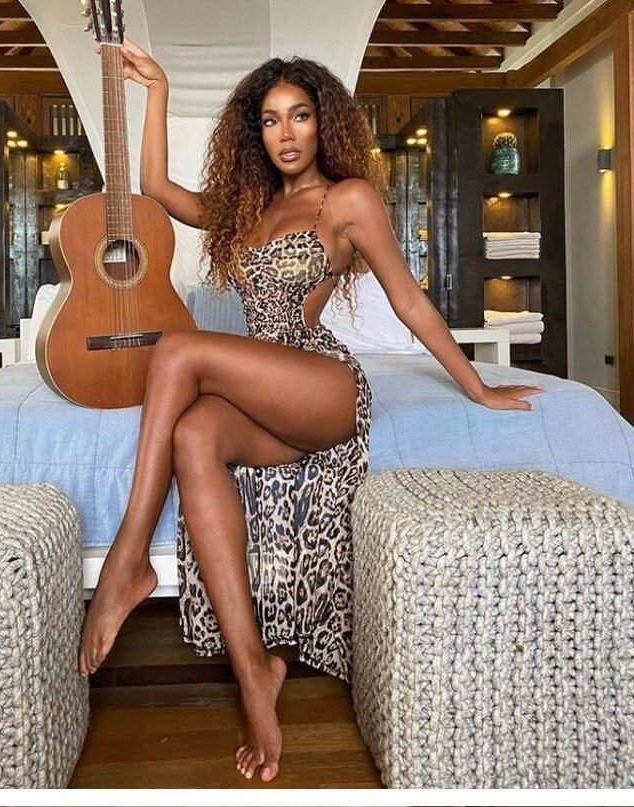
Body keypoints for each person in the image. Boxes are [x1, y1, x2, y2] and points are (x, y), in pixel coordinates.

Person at [77, 39, 544, 782]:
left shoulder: (346, 199)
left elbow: (408, 299)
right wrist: (157, 87)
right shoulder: (249, 207)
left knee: (177, 350)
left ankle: (126, 560)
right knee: (194, 433)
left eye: (299, 115)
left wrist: (477, 386)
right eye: (270, 120)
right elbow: (156, 187)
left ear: (324, 122)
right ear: (254, 133)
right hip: (265, 395)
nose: (286, 133)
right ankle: (254, 669)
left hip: (323, 388)